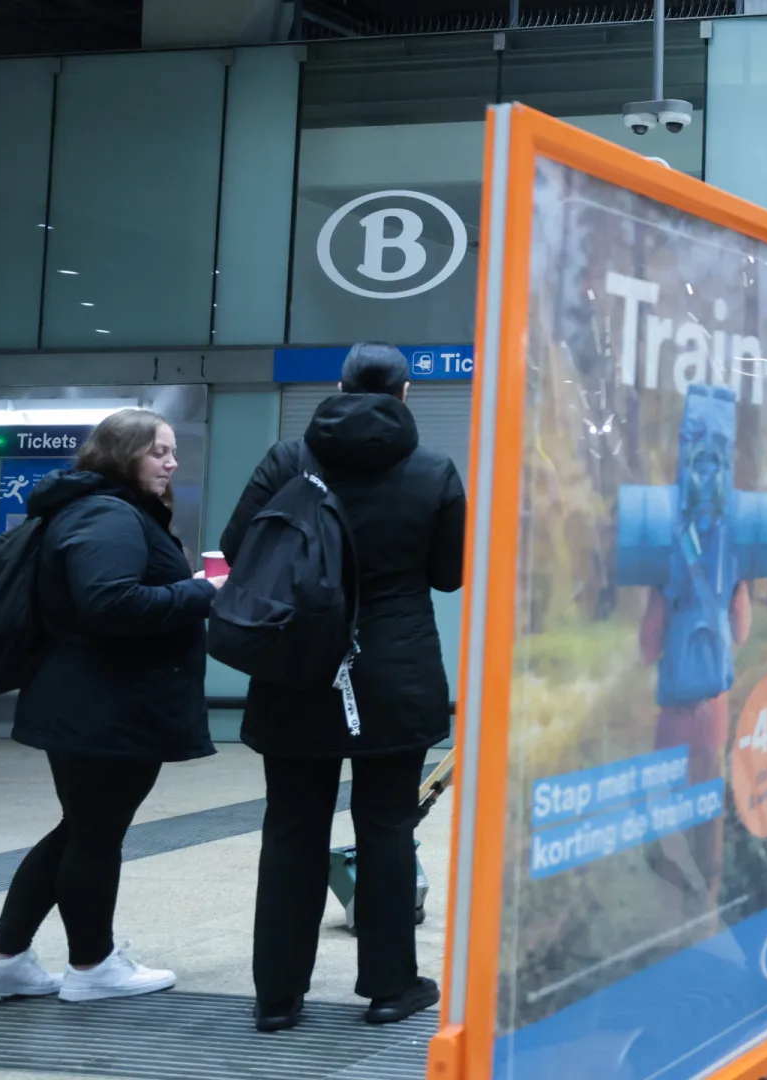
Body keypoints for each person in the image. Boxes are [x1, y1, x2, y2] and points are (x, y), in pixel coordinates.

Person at [222, 342, 467, 1030]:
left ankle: (278, 998)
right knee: (387, 826)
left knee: (291, 826)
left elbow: (238, 545)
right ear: (406, 392)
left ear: (338, 386)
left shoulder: (286, 460)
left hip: (296, 666)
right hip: (394, 671)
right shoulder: (432, 470)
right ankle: (390, 988)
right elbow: (450, 574)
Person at [0, 409, 219, 1003]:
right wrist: (202, 592)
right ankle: (92, 965)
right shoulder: (107, 514)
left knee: (83, 829)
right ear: (122, 453)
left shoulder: (98, 509)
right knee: (94, 835)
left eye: (173, 452)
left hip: (94, 702)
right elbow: (110, 603)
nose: (172, 463)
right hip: (105, 706)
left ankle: (4, 959)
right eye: (159, 451)